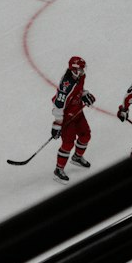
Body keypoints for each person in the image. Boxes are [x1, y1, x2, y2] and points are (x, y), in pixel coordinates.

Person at [51, 54, 96, 182]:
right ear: (74, 69)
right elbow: (58, 105)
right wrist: (57, 124)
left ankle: (76, 157)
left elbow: (79, 90)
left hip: (78, 112)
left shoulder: (80, 77)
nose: (82, 71)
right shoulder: (66, 86)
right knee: (68, 143)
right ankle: (58, 169)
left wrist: (85, 95)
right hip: (67, 117)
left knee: (86, 135)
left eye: (83, 69)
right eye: (80, 69)